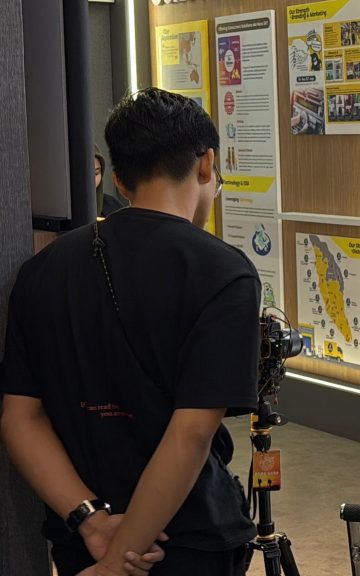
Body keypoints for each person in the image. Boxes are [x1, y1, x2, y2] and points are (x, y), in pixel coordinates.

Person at [0, 88, 259, 576]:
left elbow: (20, 418)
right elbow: (190, 434)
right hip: (186, 539)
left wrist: (92, 522)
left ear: (118, 176)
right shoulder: (223, 273)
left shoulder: (41, 271)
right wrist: (120, 561)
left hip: (83, 542)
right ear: (207, 164)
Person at [94, 145, 125, 218]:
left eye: (96, 173)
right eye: (85, 174)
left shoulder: (111, 206)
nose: (92, 181)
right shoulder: (67, 210)